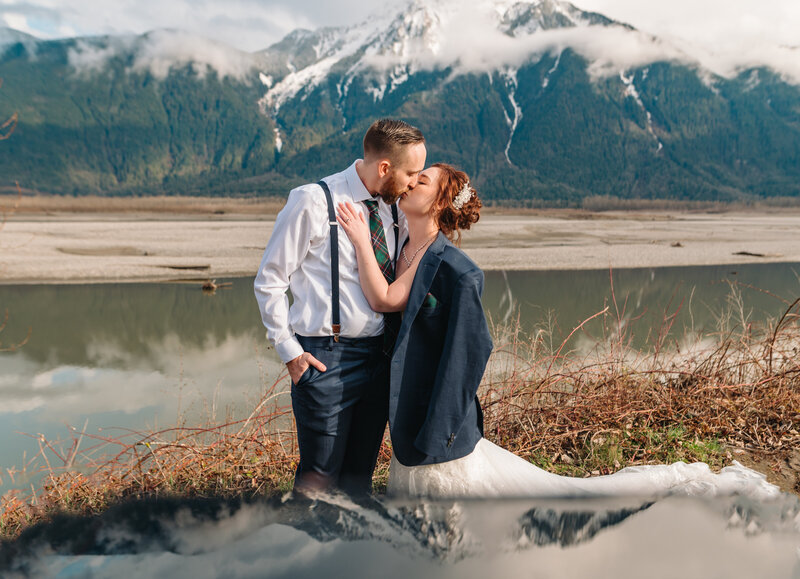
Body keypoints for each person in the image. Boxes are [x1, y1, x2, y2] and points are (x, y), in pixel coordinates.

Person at [336, 163, 780, 501]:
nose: (409, 182)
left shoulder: (458, 270)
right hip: (405, 422)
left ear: (438, 204)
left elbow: (469, 353)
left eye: (423, 181)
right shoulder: (402, 246)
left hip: (437, 433)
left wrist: (441, 429)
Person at [254, 118, 426, 495]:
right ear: (385, 167)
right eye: (411, 173)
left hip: (379, 359)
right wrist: (291, 354)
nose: (415, 181)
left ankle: (350, 553)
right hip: (324, 360)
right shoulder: (313, 200)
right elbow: (269, 280)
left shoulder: (395, 210)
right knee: (318, 478)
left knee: (358, 479)